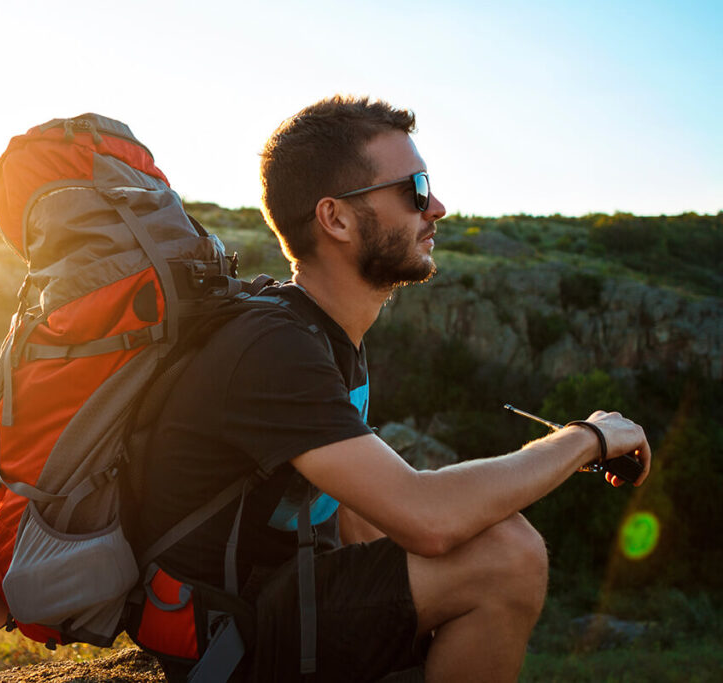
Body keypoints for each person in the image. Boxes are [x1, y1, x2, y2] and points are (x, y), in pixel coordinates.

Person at [135, 95, 652, 682]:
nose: (438, 208)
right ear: (336, 219)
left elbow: (356, 516)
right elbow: (426, 518)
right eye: (415, 190)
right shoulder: (273, 347)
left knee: (473, 541)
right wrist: (586, 438)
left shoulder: (325, 334)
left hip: (275, 602)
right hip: (225, 638)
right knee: (507, 556)